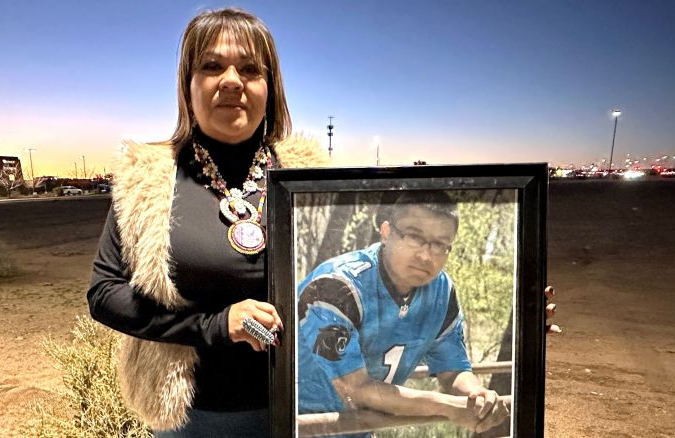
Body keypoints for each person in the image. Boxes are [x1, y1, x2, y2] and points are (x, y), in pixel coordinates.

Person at [87, 8, 326, 437]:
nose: (231, 80)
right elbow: (104, 294)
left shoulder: (311, 179)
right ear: (188, 85)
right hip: (195, 420)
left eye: (250, 69)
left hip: (302, 409)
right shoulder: (148, 178)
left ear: (270, 89)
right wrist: (215, 325)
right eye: (212, 66)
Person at [297, 191, 511, 434]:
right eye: (413, 237)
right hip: (294, 426)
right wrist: (450, 406)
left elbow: (453, 372)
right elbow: (355, 390)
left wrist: (478, 397)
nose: (425, 255)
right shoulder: (336, 286)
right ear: (386, 232)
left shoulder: (441, 292)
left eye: (440, 244)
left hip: (359, 430)